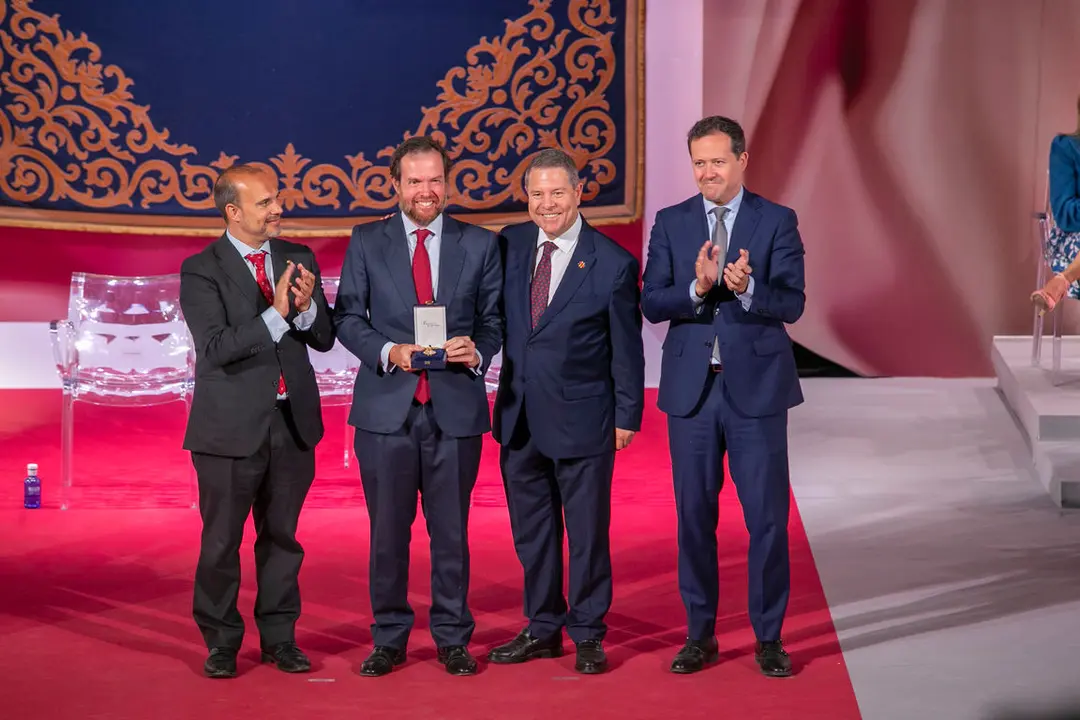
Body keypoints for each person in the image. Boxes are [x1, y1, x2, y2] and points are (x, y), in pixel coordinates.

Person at [640, 116, 805, 677]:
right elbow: (652, 301)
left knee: (766, 520)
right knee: (693, 517)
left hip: (756, 392)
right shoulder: (672, 221)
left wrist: (747, 287)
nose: (707, 172)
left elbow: (793, 303)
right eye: (698, 163)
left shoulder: (777, 220)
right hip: (692, 393)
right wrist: (699, 287)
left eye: (717, 161)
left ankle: (768, 638)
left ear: (742, 160)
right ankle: (699, 634)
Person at [333, 136, 503, 677]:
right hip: (386, 412)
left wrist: (479, 351)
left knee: (451, 532)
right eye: (414, 181)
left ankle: (452, 637)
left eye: (434, 180)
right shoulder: (366, 240)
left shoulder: (481, 244)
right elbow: (346, 319)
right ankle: (389, 637)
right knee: (388, 534)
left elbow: (494, 322)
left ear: (447, 184)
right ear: (395, 185)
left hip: (455, 410)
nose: (425, 191)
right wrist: (390, 351)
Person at [488, 148, 645, 675]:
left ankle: (588, 632)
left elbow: (627, 350)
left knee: (586, 534)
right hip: (519, 418)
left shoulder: (613, 263)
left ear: (579, 193)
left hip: (584, 420)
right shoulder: (509, 244)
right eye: (537, 194)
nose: (547, 204)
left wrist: (627, 416)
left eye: (557, 192)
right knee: (532, 533)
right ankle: (542, 627)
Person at [180, 164, 335, 679]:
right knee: (221, 543)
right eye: (265, 202)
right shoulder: (201, 269)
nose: (277, 210)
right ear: (233, 211)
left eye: (276, 199)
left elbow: (323, 337)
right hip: (228, 431)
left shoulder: (298, 257)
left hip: (292, 424)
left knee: (283, 539)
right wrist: (278, 312)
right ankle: (222, 642)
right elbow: (216, 347)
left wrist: (306, 309)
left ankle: (280, 639)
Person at [1031, 96, 1080, 315]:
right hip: (1071, 237)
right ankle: (1065, 278)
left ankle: (1061, 282)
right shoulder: (1066, 147)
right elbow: (1065, 214)